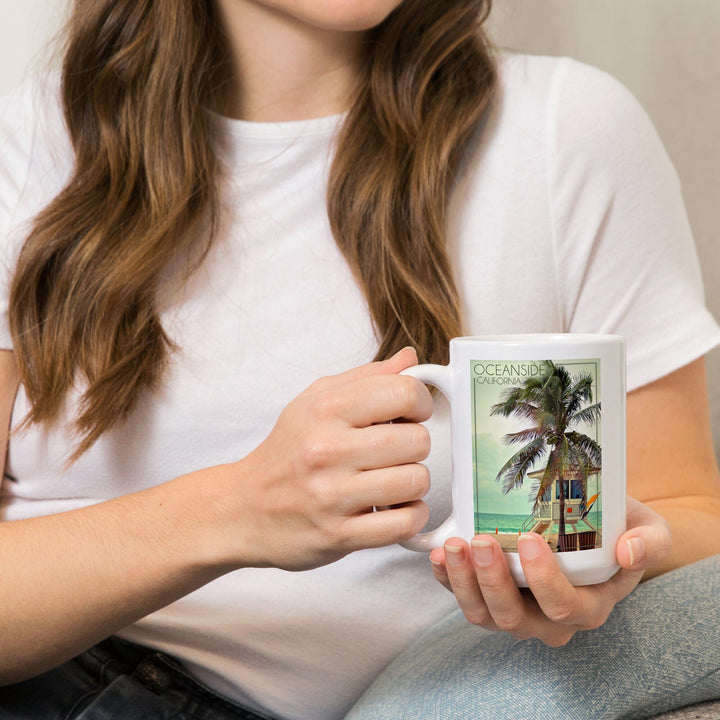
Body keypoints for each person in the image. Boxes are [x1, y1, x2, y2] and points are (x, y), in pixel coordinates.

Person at [0, 1, 719, 719]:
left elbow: (688, 511)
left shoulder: (570, 130)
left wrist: (617, 565)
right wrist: (238, 509)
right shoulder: (26, 146)